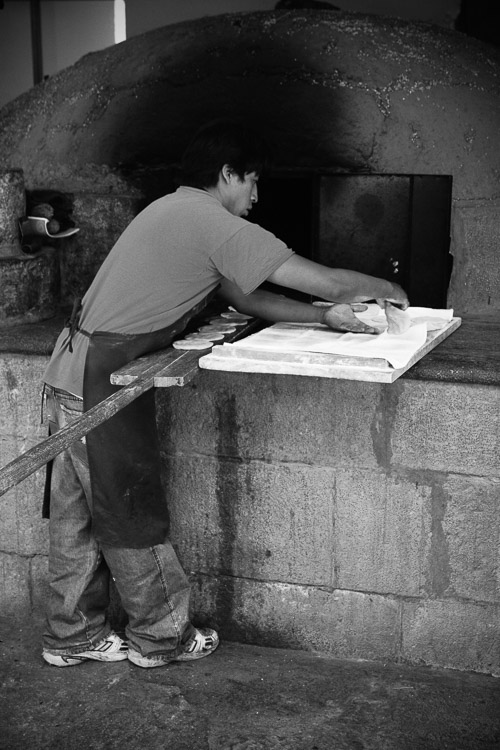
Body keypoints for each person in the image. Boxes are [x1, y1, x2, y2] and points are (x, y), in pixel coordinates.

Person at [41, 119, 408, 669]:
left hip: (67, 371)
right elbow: (330, 281)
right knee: (128, 508)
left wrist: (322, 318)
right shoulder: (214, 223)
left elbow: (247, 298)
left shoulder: (172, 210)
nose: (256, 196)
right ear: (228, 173)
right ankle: (161, 637)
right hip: (101, 380)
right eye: (253, 181)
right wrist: (390, 288)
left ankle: (71, 635)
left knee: (76, 515)